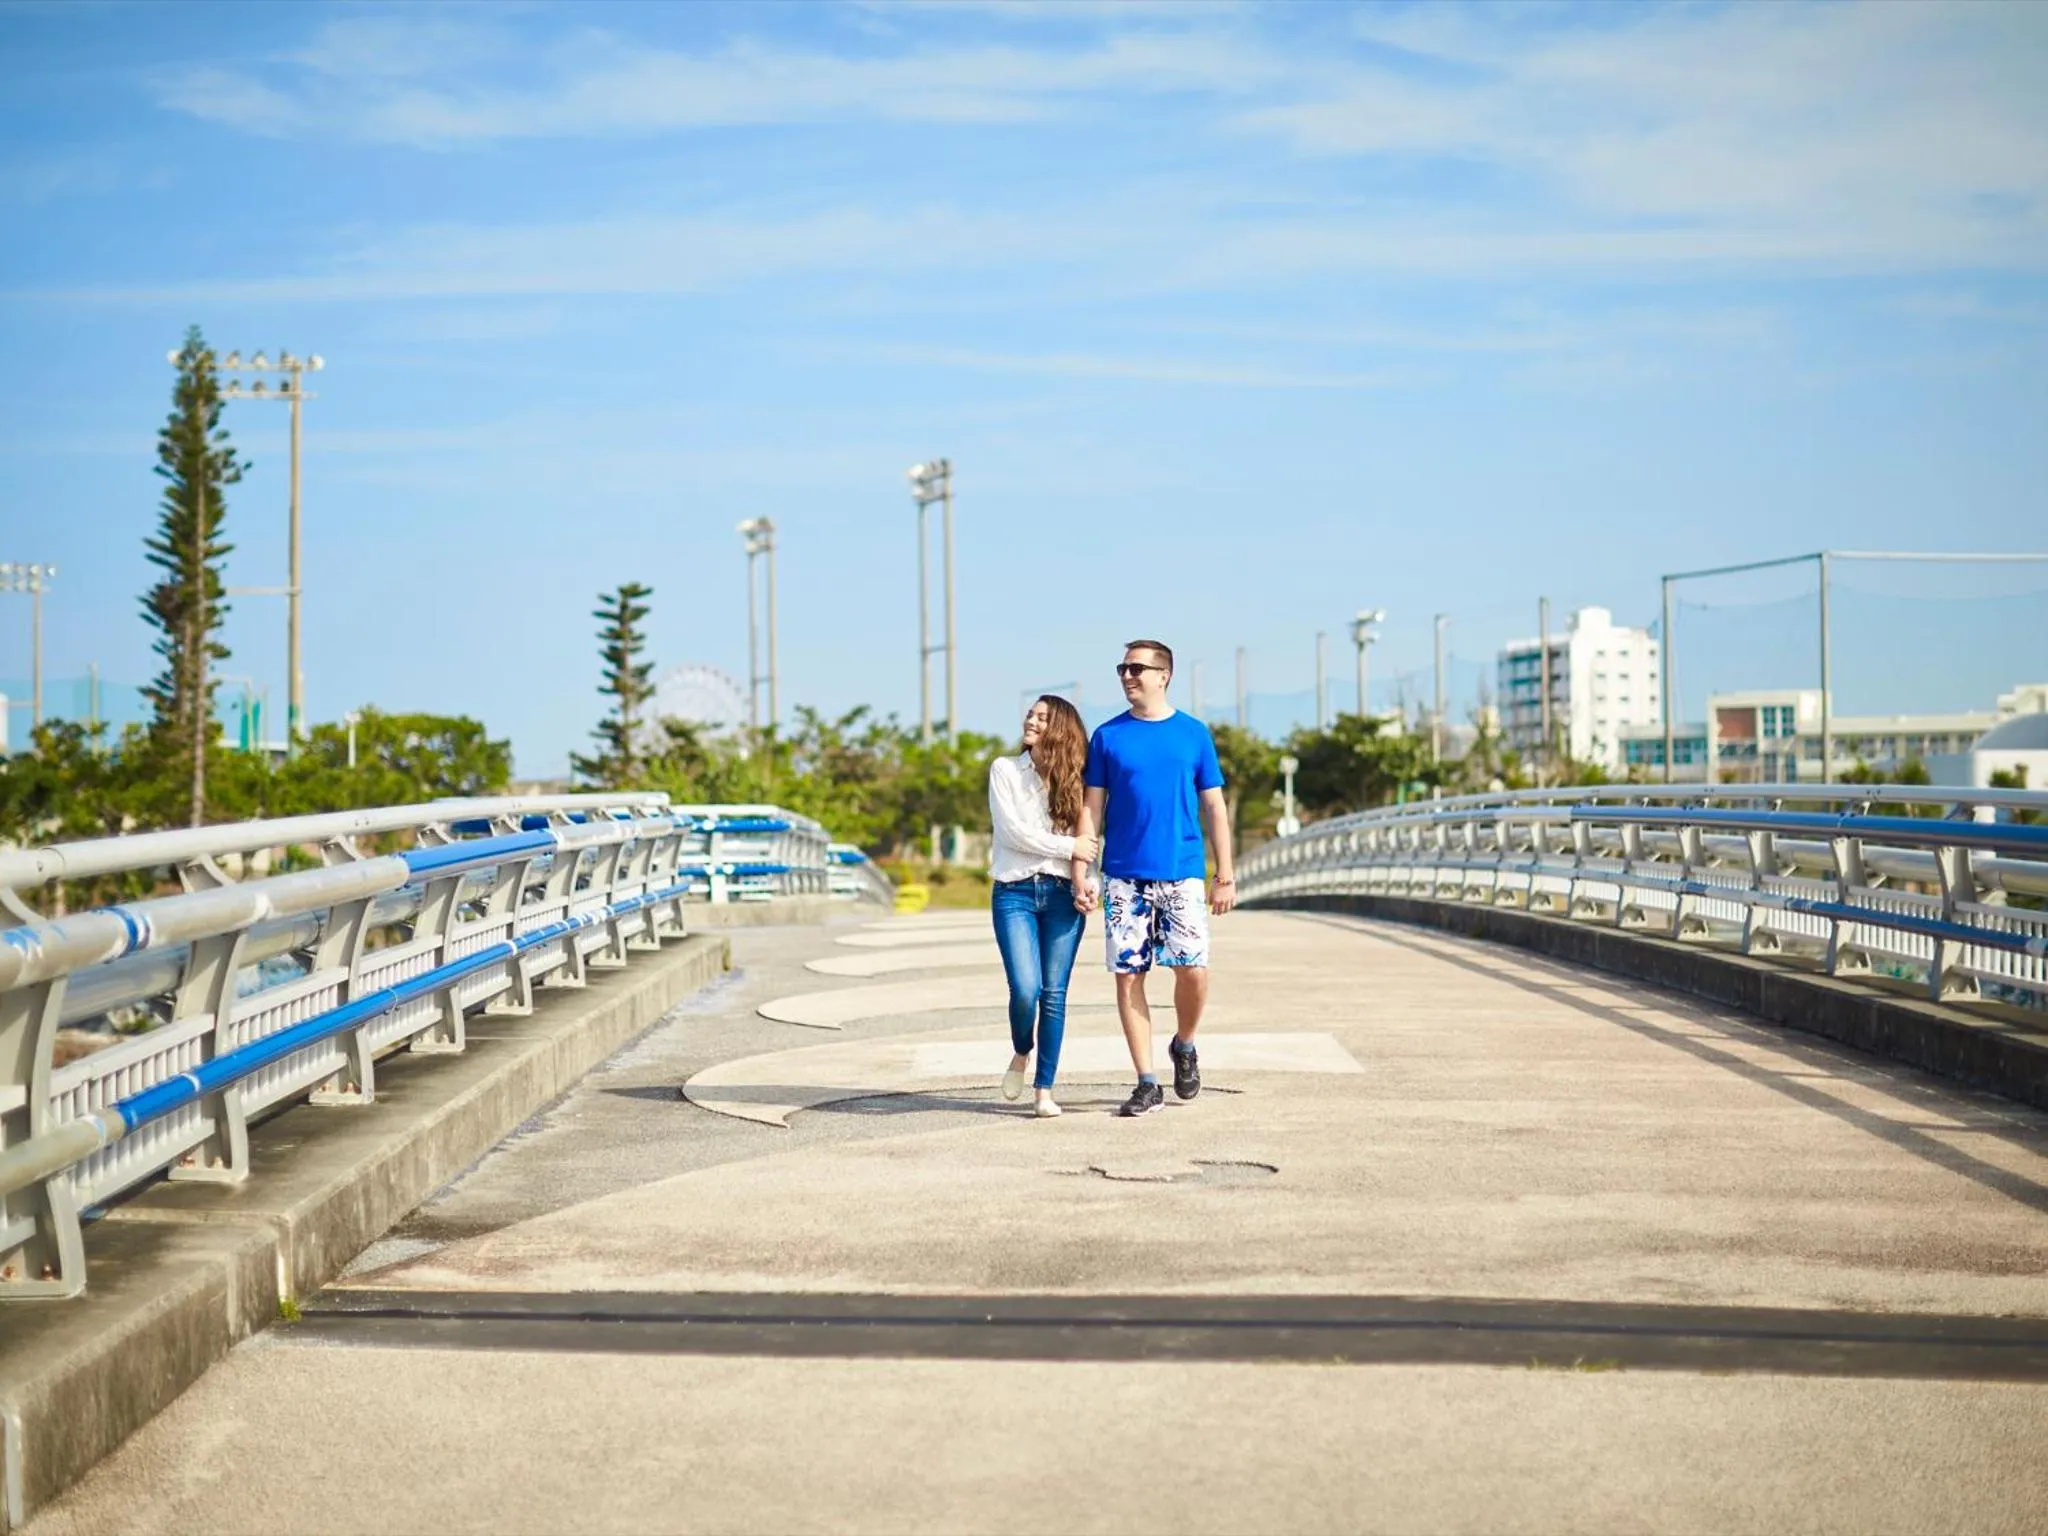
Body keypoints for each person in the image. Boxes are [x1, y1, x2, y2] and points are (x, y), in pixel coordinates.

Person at [1071, 639, 1234, 1118]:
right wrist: (1084, 868)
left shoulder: (1193, 734)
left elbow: (1214, 806)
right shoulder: (1107, 737)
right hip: (1124, 876)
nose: (1127, 676)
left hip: (1182, 872)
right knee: (1128, 977)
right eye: (1122, 668)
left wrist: (1224, 873)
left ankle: (1184, 1043)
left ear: (1164, 675)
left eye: (1137, 668)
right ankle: (1146, 1081)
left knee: (1193, 970)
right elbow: (1091, 808)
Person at [988, 694, 1100, 1118]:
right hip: (1013, 892)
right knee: (1025, 989)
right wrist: (1069, 844)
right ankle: (1021, 1050)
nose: (1030, 720)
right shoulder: (1005, 770)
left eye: (1041, 717)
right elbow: (1013, 832)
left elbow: (1090, 844)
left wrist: (1088, 881)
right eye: (1030, 714)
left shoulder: (1077, 781)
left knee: (1054, 994)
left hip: (1061, 896)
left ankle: (1044, 1089)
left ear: (1060, 730)